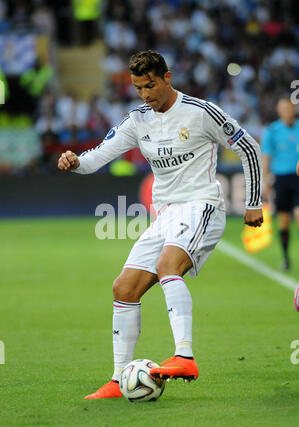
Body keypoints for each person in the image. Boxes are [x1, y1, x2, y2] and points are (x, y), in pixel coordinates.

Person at [58, 50, 263, 399]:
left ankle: (184, 355)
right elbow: (98, 157)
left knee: (168, 265)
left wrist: (254, 202)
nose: (145, 94)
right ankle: (118, 377)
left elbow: (249, 147)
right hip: (165, 214)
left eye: (150, 85)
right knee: (123, 288)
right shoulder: (137, 120)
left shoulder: (201, 112)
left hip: (202, 205)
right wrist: (75, 161)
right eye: (138, 88)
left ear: (167, 77)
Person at [261, 98, 299, 270]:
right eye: (283, 108)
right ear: (279, 111)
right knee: (283, 220)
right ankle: (286, 258)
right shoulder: (272, 131)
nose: (288, 111)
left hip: (298, 178)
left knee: (298, 215)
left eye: (289, 107)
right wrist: (266, 180)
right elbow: (266, 157)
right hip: (281, 178)